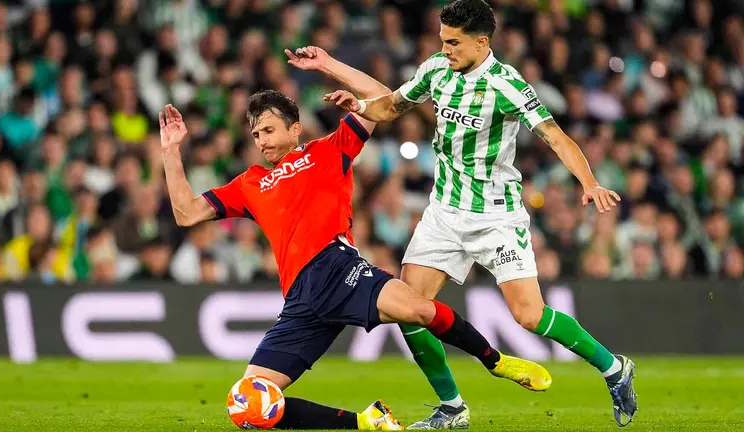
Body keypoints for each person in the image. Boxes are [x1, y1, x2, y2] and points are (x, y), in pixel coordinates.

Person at [159, 51, 550, 430]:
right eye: (256, 133)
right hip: (299, 299)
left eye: (269, 129)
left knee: (419, 311)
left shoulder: (328, 151)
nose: (261, 140)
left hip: (339, 268)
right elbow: (186, 213)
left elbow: (382, 96)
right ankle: (368, 422)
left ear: (295, 129)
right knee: (248, 401)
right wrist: (171, 152)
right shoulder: (249, 183)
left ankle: (496, 362)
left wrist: (328, 65)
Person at [321, 0, 638, 428]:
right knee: (409, 308)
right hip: (444, 213)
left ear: (481, 42)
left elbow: (556, 137)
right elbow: (391, 107)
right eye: (442, 40)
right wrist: (358, 106)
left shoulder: (506, 85)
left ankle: (614, 367)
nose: (445, 49)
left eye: (453, 43)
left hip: (496, 217)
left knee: (529, 316)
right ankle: (452, 408)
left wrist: (589, 183)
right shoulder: (435, 69)